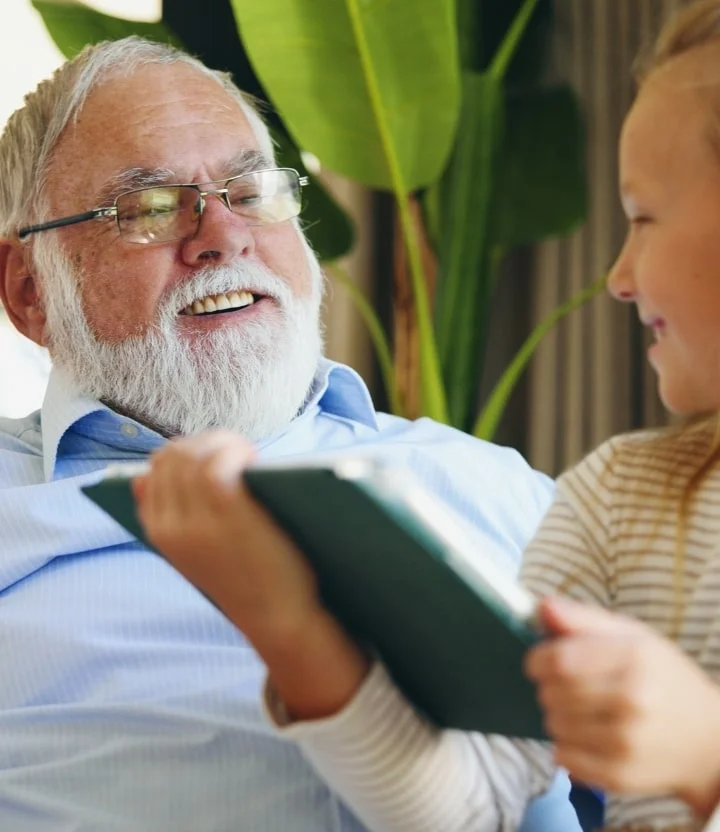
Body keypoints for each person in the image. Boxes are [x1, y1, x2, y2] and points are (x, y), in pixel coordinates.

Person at [135, 0, 720, 830]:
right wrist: (291, 630)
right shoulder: (615, 503)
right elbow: (470, 809)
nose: (618, 277)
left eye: (641, 220)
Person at [0, 35, 579, 832]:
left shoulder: (499, 490)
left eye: (250, 189)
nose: (222, 236)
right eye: (151, 207)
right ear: (30, 293)